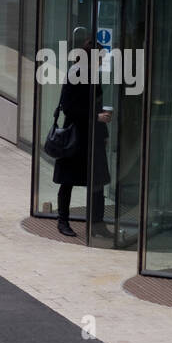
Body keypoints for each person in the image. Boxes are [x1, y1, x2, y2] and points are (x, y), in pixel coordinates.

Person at [52, 29, 112, 238]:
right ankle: (63, 221)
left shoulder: (92, 75)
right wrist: (96, 118)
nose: (102, 63)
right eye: (101, 59)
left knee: (98, 181)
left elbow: (97, 104)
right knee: (68, 180)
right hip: (76, 136)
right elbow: (69, 108)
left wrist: (103, 131)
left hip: (92, 136)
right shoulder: (76, 73)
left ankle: (98, 223)